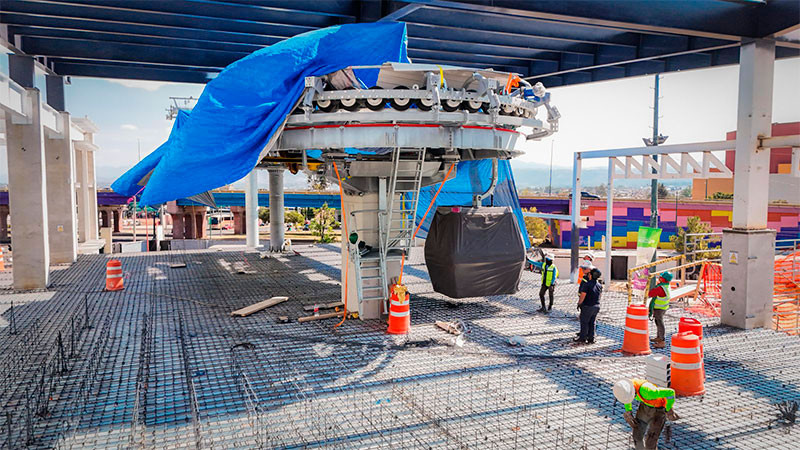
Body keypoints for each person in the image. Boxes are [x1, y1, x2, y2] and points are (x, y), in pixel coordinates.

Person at [613, 378, 680, 450]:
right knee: (637, 435)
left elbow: (670, 392)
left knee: (650, 442)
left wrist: (668, 409)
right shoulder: (625, 387)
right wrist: (628, 411)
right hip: (644, 406)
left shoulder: (648, 391)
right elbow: (627, 399)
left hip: (659, 410)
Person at [575, 267, 602, 343]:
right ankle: (591, 338)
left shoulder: (587, 285)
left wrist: (579, 304)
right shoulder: (599, 285)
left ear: (591, 275)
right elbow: (600, 295)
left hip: (587, 306)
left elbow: (583, 295)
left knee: (584, 322)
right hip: (596, 306)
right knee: (592, 322)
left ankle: (582, 338)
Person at [648, 271, 673, 349]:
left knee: (659, 323)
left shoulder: (661, 288)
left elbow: (650, 293)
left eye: (660, 277)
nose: (659, 278)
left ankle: (662, 341)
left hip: (660, 308)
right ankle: (659, 337)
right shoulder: (666, 286)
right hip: (662, 308)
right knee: (658, 322)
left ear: (663, 279)